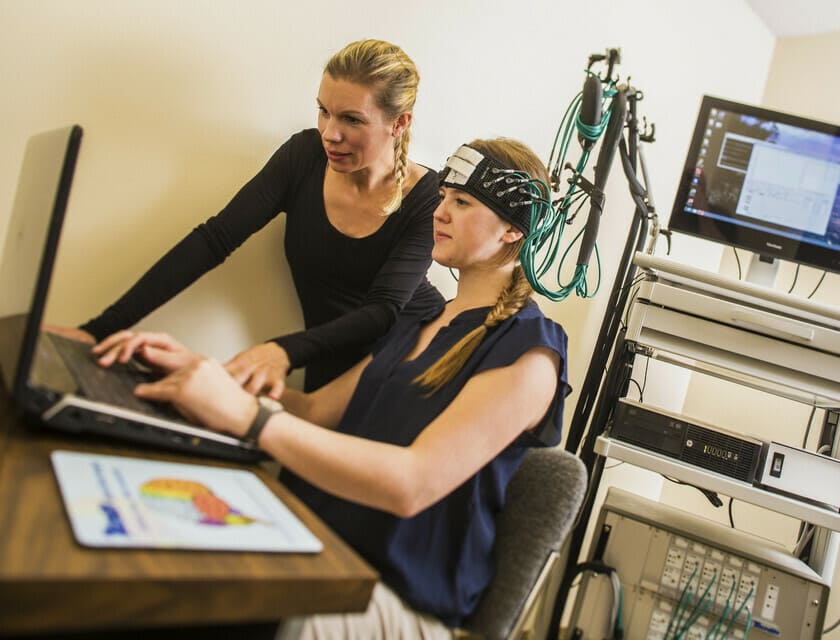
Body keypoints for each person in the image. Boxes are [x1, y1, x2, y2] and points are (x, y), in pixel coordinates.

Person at [94, 137, 569, 639]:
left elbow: (411, 484)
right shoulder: (424, 316)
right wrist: (202, 370)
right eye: (444, 196)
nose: (440, 211)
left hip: (394, 596)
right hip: (323, 547)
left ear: (514, 228)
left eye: (462, 202)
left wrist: (249, 417)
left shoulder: (530, 352)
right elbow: (315, 409)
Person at [56, 38, 443, 398]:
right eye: (324, 111)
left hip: (415, 364)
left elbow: (384, 309)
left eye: (352, 120)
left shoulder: (428, 197)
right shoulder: (303, 157)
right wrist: (96, 332)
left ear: (399, 123)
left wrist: (280, 351)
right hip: (325, 367)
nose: (330, 133)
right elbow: (214, 240)